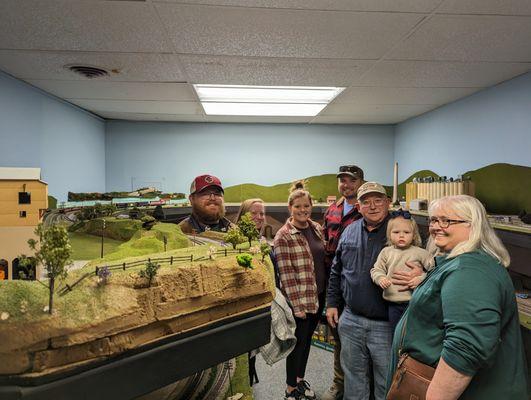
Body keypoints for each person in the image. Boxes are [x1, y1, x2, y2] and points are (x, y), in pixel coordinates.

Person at [386, 195, 528, 399]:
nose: (436, 227)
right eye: (433, 220)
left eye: (447, 221)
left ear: (473, 226)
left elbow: (466, 348)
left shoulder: (470, 270)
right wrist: (428, 281)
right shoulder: (458, 263)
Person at [326, 182, 423, 400]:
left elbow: (423, 263)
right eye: (365, 201)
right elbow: (336, 269)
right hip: (350, 320)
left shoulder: (400, 230)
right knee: (353, 377)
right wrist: (332, 303)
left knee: (385, 380)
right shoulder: (349, 230)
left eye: (378, 200)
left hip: (386, 323)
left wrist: (421, 274)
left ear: (388, 202)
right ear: (358, 207)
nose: (372, 206)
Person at [274, 181, 326, 400]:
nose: (303, 210)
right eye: (298, 207)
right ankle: (289, 389)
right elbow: (285, 276)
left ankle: (298, 381)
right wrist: (296, 307)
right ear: (290, 208)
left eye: (306, 206)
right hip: (300, 301)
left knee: (308, 342)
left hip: (319, 295)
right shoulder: (283, 235)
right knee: (298, 344)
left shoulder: (316, 228)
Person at [322, 164, 365, 400]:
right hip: (334, 282)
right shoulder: (332, 209)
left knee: (360, 340)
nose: (346, 185)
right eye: (342, 181)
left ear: (360, 183)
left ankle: (358, 386)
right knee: (338, 337)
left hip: (359, 282)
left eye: (351, 180)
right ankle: (339, 383)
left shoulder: (366, 209)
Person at [370, 211, 430, 332]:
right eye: (396, 232)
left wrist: (422, 278)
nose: (401, 236)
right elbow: (376, 269)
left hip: (415, 303)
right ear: (390, 235)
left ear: (413, 235)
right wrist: (380, 278)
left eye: (406, 232)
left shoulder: (421, 253)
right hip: (393, 304)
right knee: (396, 334)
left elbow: (436, 272)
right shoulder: (386, 252)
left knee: (414, 334)